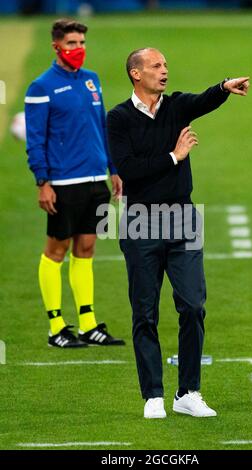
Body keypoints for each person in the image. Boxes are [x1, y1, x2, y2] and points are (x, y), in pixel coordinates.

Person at [107, 47, 249, 418]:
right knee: (144, 311)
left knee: (193, 305)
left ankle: (188, 392)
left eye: (166, 64)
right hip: (140, 220)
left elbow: (203, 100)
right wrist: (174, 156)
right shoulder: (118, 118)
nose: (164, 70)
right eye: (156, 65)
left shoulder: (176, 106)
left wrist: (224, 87)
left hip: (182, 217)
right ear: (136, 74)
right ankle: (153, 394)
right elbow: (129, 169)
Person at [25, 19, 125, 348]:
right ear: (56, 46)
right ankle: (56, 327)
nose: (78, 49)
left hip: (96, 179)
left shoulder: (92, 81)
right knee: (56, 251)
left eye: (81, 43)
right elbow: (35, 139)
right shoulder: (41, 87)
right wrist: (43, 182)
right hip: (64, 182)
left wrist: (113, 169)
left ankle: (88, 324)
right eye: (71, 43)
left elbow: (102, 128)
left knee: (87, 249)